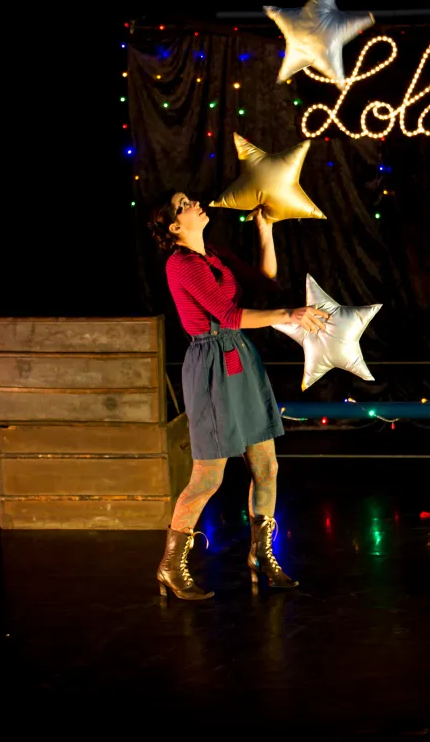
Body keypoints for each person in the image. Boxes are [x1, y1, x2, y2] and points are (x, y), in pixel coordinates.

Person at [148, 192, 329, 600]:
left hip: (240, 358)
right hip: (211, 366)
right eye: (183, 204)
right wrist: (290, 315)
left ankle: (261, 557)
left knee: (266, 467)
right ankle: (170, 566)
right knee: (208, 477)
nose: (194, 202)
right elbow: (228, 316)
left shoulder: (214, 254)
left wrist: (266, 231)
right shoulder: (181, 264)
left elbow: (263, 282)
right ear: (174, 226)